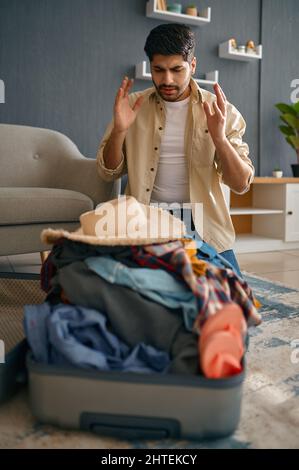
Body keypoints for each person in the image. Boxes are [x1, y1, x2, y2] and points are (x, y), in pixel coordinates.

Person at [96, 23, 255, 277]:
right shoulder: (133, 106)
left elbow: (240, 184)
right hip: (145, 222)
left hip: (202, 227)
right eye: (159, 70)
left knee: (234, 305)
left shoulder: (221, 112)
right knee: (132, 299)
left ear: (192, 66)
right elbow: (108, 172)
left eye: (176, 70)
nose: (167, 80)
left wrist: (219, 139)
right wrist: (119, 131)